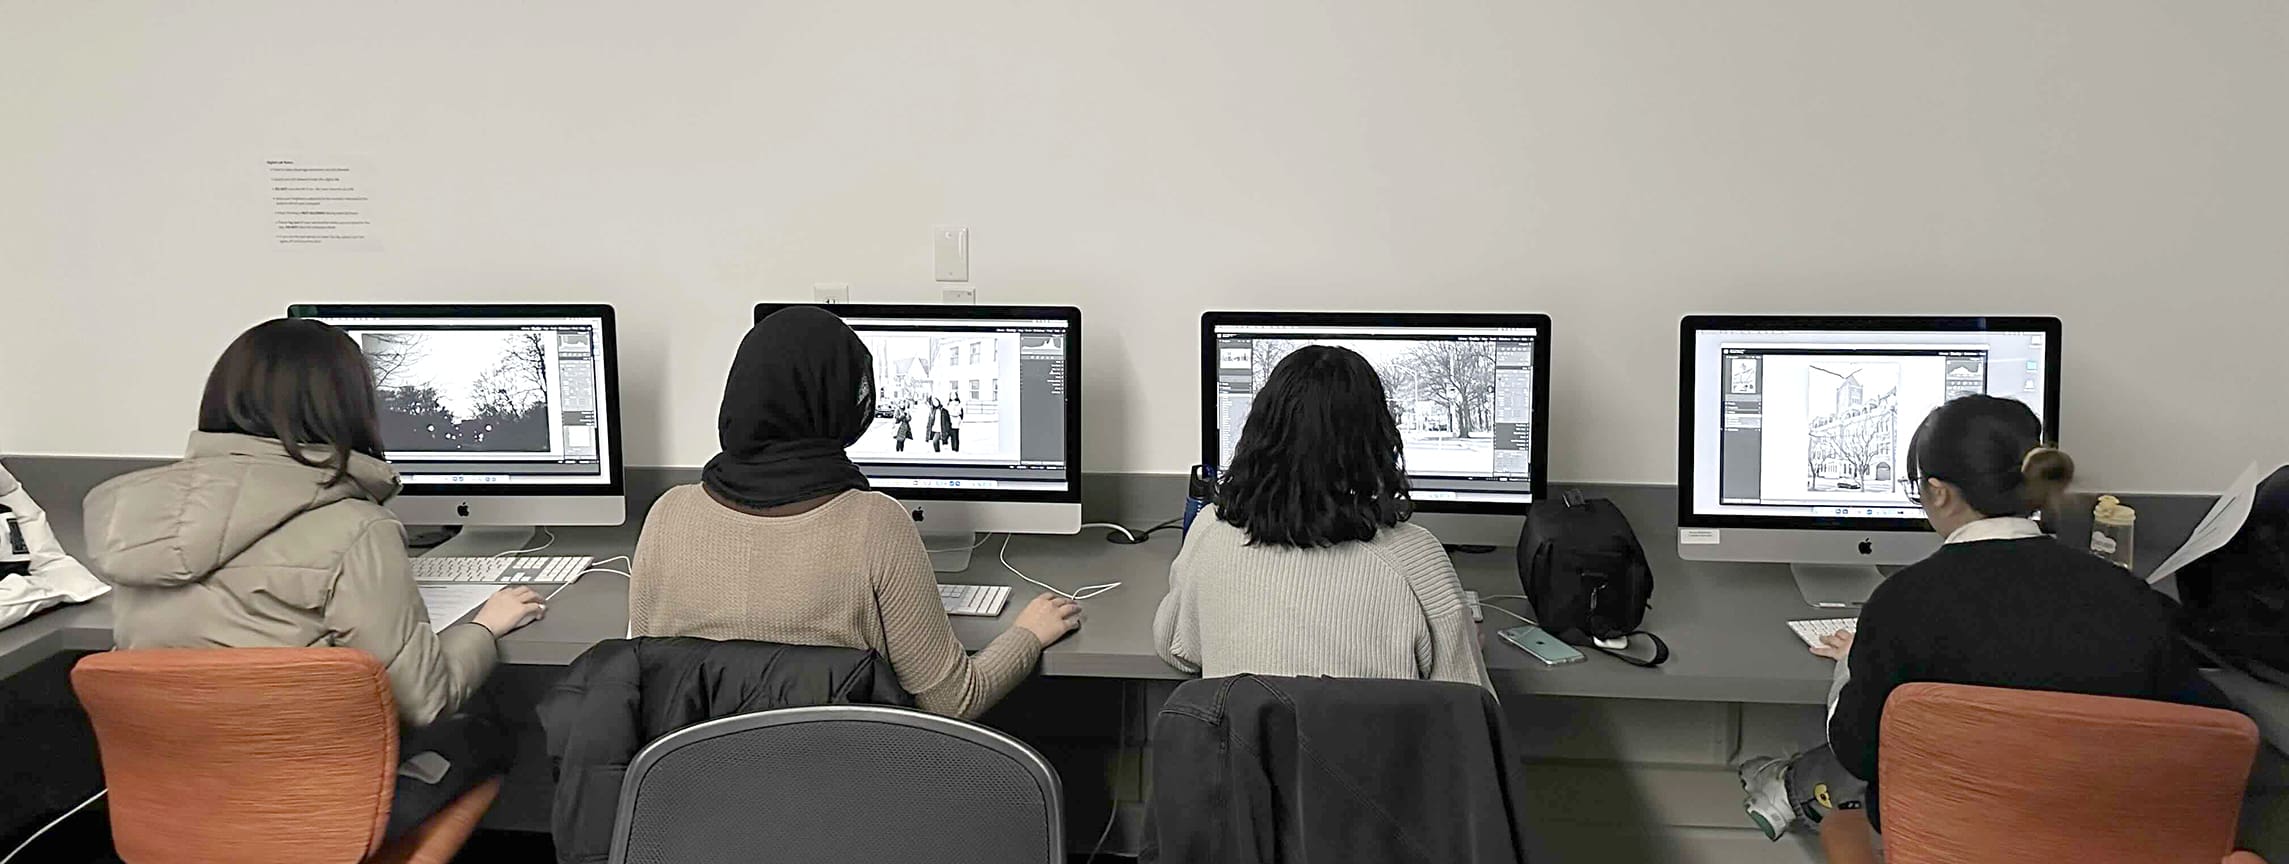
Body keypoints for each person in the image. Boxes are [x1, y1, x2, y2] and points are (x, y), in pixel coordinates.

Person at [83, 318, 548, 838]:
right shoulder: (357, 527)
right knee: (490, 732)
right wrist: (484, 628)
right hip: (320, 814)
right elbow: (422, 697)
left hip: (173, 807)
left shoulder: (139, 518)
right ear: (347, 408)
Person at [1738, 394, 2231, 863]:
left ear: (1938, 492)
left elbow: (1858, 753)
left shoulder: (1904, 604)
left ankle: (1788, 787)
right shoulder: (2128, 597)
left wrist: (1852, 662)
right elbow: (2211, 732)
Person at [628, 306, 1083, 720]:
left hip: (692, 796)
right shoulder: (875, 524)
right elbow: (952, 700)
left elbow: (645, 669)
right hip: (840, 795)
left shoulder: (668, 514)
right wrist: (1028, 633)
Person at [1153, 345, 1492, 690]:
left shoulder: (1212, 529)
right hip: (1375, 745)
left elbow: (1177, 648)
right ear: (1376, 440)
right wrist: (1464, 646)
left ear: (1260, 433)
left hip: (1246, 743)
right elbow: (1471, 709)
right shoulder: (1418, 558)